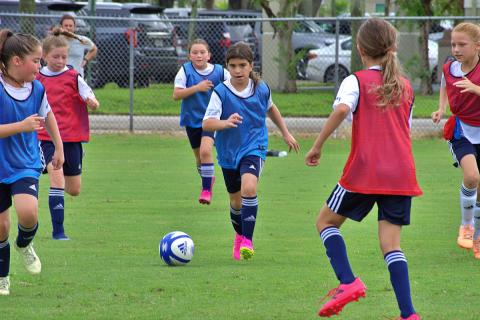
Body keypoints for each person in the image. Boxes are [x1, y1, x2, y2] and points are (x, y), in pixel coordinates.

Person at [305, 18, 422, 319]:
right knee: (391, 247)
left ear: (360, 48)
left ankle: (348, 282)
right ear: (392, 48)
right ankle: (409, 314)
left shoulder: (354, 80)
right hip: (401, 174)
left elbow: (343, 109)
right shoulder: (405, 86)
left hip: (366, 171)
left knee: (325, 223)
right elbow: (405, 131)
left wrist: (317, 145)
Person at [203, 42, 299, 261]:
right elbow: (207, 124)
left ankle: (248, 240)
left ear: (250, 66)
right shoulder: (220, 92)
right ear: (227, 67)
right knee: (235, 202)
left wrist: (285, 133)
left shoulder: (261, 88)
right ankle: (239, 235)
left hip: (255, 146)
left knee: (249, 187)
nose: (237, 70)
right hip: (228, 152)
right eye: (233, 66)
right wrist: (225, 123)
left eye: (242, 65)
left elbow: (271, 108)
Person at [0, 29, 64, 295]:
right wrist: (21, 125)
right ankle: (2, 276)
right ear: (16, 61)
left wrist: (58, 147)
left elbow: (47, 116)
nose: (40, 66)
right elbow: (21, 125)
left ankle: (25, 244)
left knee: (28, 213)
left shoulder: (36, 88)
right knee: (1, 226)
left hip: (25, 161)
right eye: (35, 61)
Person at [36, 29, 100, 240]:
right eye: (56, 57)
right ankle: (59, 232)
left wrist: (92, 101)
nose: (60, 60)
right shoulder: (36, 78)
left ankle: (74, 161)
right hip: (46, 138)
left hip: (71, 138)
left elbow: (88, 94)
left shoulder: (73, 76)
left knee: (73, 190)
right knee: (57, 178)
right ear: (44, 56)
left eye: (64, 56)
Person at [432, 22, 480, 259]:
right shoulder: (450, 67)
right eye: (453, 44)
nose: (456, 49)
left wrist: (475, 88)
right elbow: (444, 83)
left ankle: (478, 237)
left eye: (462, 44)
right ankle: (466, 226)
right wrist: (441, 108)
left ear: (477, 46)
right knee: (472, 176)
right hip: (462, 130)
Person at [173, 39, 229, 205]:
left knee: (206, 152)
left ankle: (206, 190)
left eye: (202, 52)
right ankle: (208, 178)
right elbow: (176, 95)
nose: (199, 55)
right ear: (189, 56)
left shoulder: (220, 72)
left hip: (213, 120)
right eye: (195, 52)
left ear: (209, 55)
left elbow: (233, 88)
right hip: (193, 121)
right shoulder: (185, 71)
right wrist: (197, 87)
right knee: (199, 158)